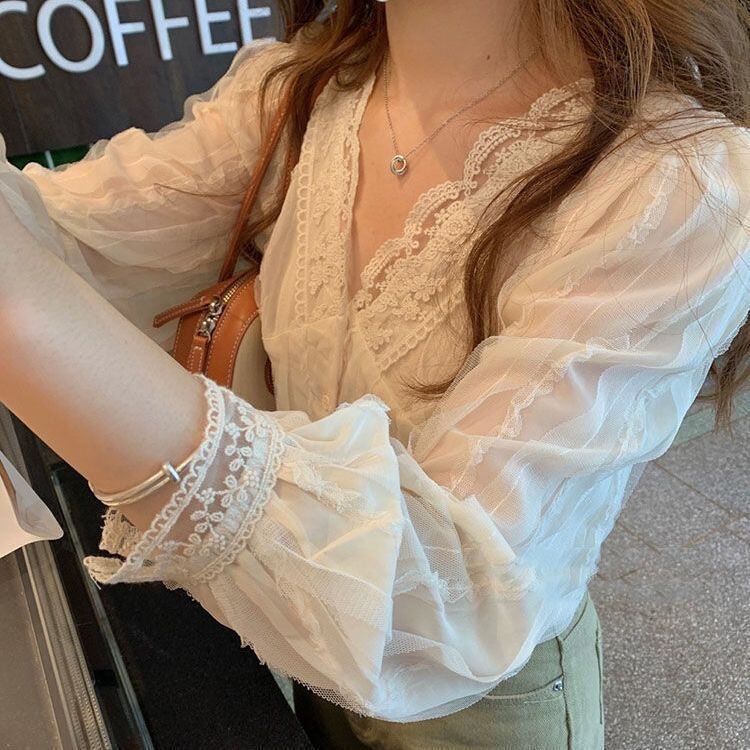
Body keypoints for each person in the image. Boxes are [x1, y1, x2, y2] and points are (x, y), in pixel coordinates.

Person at [1, 1, 750, 747]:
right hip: (290, 642)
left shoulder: (674, 183)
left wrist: (26, 315)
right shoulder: (308, 84)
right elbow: (58, 239)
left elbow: (449, 594)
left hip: (479, 704)